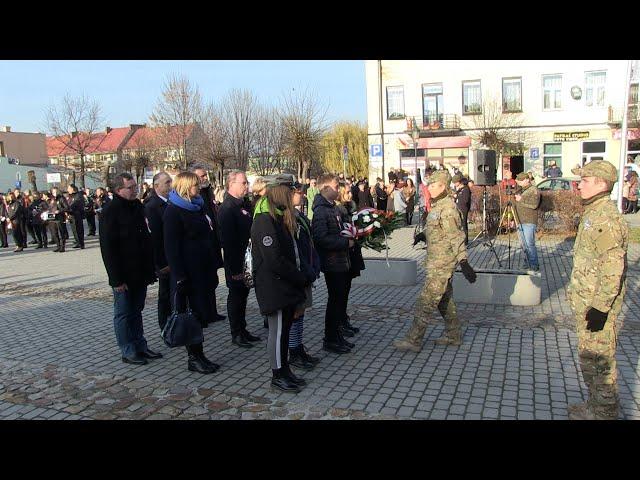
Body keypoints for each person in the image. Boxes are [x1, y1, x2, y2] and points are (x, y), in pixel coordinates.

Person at [567, 160, 628, 420]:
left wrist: (602, 307)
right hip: (587, 302)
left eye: (585, 181)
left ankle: (604, 413)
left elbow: (613, 265)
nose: (579, 185)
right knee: (589, 359)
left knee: (600, 362)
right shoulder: (594, 212)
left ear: (601, 184)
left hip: (596, 306)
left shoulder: (605, 218)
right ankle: (595, 406)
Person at [393, 170, 477, 351]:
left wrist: (464, 261)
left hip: (442, 264)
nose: (429, 188)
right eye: (428, 185)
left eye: (433, 185)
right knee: (444, 300)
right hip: (435, 261)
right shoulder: (438, 206)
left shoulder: (447, 208)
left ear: (443, 186)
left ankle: (413, 340)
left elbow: (456, 236)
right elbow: (440, 231)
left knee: (426, 301)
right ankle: (453, 335)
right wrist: (425, 235)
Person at [252, 183, 311, 392]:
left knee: (284, 331)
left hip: (285, 284)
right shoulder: (264, 220)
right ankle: (277, 375)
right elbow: (274, 259)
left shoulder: (277, 217)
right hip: (273, 285)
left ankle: (285, 369)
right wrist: (298, 276)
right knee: (277, 333)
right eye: (290, 194)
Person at [99, 172, 161, 366]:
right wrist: (116, 279)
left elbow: (146, 238)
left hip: (140, 271)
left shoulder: (137, 207)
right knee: (124, 313)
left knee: (137, 310)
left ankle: (140, 345)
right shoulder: (110, 211)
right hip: (123, 274)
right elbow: (108, 249)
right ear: (118, 190)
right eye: (130, 188)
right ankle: (128, 349)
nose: (135, 190)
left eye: (136, 187)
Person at [163, 172, 221, 374]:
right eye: (196, 184)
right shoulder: (173, 210)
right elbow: (171, 247)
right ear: (186, 187)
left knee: (199, 312)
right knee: (191, 315)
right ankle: (193, 357)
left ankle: (200, 354)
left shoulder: (197, 206)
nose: (200, 187)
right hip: (186, 272)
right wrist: (179, 276)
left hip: (202, 269)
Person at [311, 173, 355, 354]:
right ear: (326, 188)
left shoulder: (333, 208)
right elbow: (320, 238)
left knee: (340, 300)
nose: (339, 190)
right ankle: (330, 338)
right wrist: (345, 242)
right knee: (335, 301)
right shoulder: (321, 210)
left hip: (341, 261)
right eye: (336, 187)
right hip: (332, 263)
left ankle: (336, 335)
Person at [218, 170, 261, 348]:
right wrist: (235, 270)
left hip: (247, 260)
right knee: (236, 297)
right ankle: (236, 332)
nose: (247, 186)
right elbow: (228, 243)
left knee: (243, 296)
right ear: (232, 184)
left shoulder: (243, 204)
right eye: (244, 183)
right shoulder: (227, 208)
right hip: (236, 263)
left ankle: (243, 329)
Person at [288, 182, 321, 370]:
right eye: (299, 192)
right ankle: (293, 351)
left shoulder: (298, 215)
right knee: (295, 312)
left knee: (301, 312)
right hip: (299, 272)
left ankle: (298, 347)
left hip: (307, 270)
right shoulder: (288, 218)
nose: (302, 195)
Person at [191, 164, 226, 323]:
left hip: (213, 242)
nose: (205, 178)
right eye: (201, 176)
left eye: (205, 175)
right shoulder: (195, 197)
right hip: (203, 245)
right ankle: (203, 314)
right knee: (203, 283)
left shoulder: (208, 191)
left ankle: (212, 311)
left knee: (212, 280)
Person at [144, 172, 173, 331]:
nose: (170, 185)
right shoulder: (152, 207)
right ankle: (164, 325)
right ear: (156, 186)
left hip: (174, 257)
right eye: (167, 182)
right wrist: (161, 264)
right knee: (165, 294)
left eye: (170, 182)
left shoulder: (170, 202)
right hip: (164, 260)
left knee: (173, 293)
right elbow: (155, 238)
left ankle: (174, 321)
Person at [335, 185, 364, 339]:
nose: (350, 194)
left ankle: (344, 320)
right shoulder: (338, 210)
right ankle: (339, 322)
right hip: (342, 254)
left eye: (350, 192)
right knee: (340, 292)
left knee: (346, 290)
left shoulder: (350, 208)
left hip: (351, 253)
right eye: (346, 192)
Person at [514, 172, 541, 271]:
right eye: (518, 180)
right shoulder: (521, 190)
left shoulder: (533, 190)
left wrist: (521, 200)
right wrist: (514, 219)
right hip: (520, 220)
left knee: (529, 244)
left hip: (529, 221)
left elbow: (534, 205)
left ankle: (534, 264)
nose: (519, 182)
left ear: (527, 179)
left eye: (521, 180)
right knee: (523, 245)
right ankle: (527, 262)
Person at [452, 174, 471, 245]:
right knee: (458, 225)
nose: (454, 184)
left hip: (463, 209)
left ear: (459, 182)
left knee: (464, 225)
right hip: (458, 208)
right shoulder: (459, 189)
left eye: (455, 182)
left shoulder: (466, 189)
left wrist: (457, 196)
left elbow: (465, 200)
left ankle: (465, 241)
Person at [67, 184, 85, 249]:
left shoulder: (78, 195)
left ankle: (81, 243)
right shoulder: (70, 196)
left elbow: (76, 204)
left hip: (77, 215)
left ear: (72, 189)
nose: (67, 190)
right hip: (71, 215)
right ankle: (77, 242)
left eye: (69, 188)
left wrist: (69, 208)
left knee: (78, 229)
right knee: (74, 230)